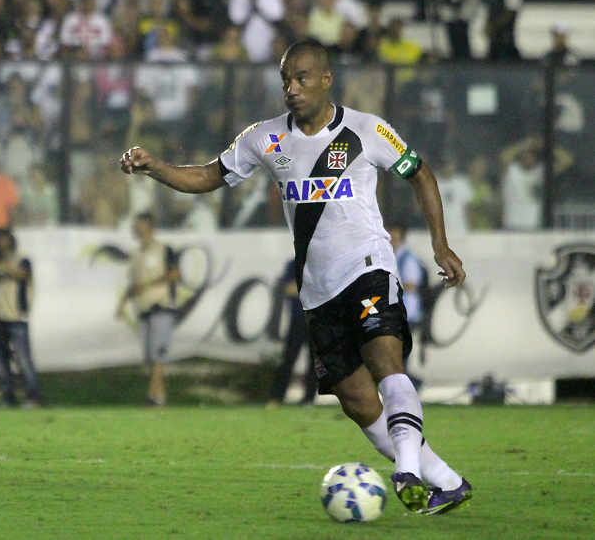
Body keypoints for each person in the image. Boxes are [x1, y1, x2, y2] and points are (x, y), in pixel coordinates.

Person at [119, 40, 471, 514]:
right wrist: (156, 168)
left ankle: (407, 469)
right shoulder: (264, 138)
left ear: (326, 80)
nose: (292, 88)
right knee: (356, 400)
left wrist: (440, 244)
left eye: (302, 78)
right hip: (317, 289)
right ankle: (446, 481)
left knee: (386, 361)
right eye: (286, 79)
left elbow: (421, 175)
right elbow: (206, 177)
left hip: (368, 267)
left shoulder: (366, 130)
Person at [116, 212, 180, 406]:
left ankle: (151, 396)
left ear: (148, 226)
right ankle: (160, 399)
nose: (134, 230)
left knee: (158, 354)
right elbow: (134, 283)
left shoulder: (163, 249)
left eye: (137, 226)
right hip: (143, 308)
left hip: (161, 306)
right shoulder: (135, 253)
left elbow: (174, 274)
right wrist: (123, 303)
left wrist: (148, 285)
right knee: (149, 357)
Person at [0, 228, 43, 408]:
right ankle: (8, 398)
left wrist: (1, 269)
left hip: (16, 316)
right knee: (2, 361)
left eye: (4, 239)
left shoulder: (21, 258)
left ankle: (33, 397)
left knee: (23, 359)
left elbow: (23, 273)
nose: (1, 243)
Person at [267, 259, 317, 407]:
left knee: (315, 364)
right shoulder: (294, 264)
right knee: (288, 359)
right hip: (298, 320)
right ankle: (277, 397)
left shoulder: (325, 263)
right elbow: (288, 288)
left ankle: (308, 399)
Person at [388, 223, 428, 390]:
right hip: (396, 312)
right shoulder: (391, 256)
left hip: (407, 313)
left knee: (399, 355)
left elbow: (412, 284)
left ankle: (412, 384)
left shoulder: (408, 258)